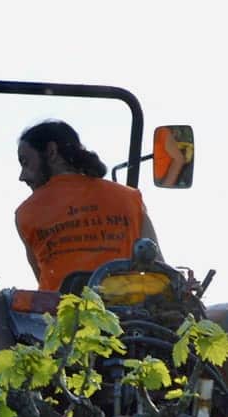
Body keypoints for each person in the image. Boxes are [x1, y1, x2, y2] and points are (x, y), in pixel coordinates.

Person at [14, 119, 158, 291]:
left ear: (51, 152)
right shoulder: (129, 198)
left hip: (61, 316)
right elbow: (157, 266)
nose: (22, 176)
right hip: (126, 314)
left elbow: (44, 283)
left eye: (25, 162)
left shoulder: (26, 214)